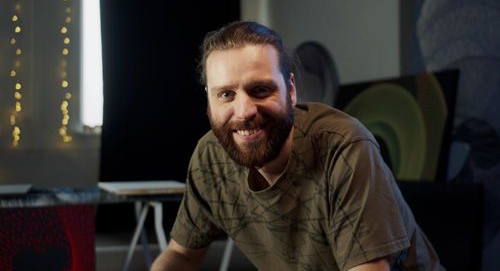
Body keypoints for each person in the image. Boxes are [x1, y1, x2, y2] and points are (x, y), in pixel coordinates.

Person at [151, 21, 444, 271]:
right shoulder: (210, 157)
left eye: (261, 90)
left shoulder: (345, 148)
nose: (244, 111)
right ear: (209, 100)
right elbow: (180, 254)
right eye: (226, 94)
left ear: (290, 91)